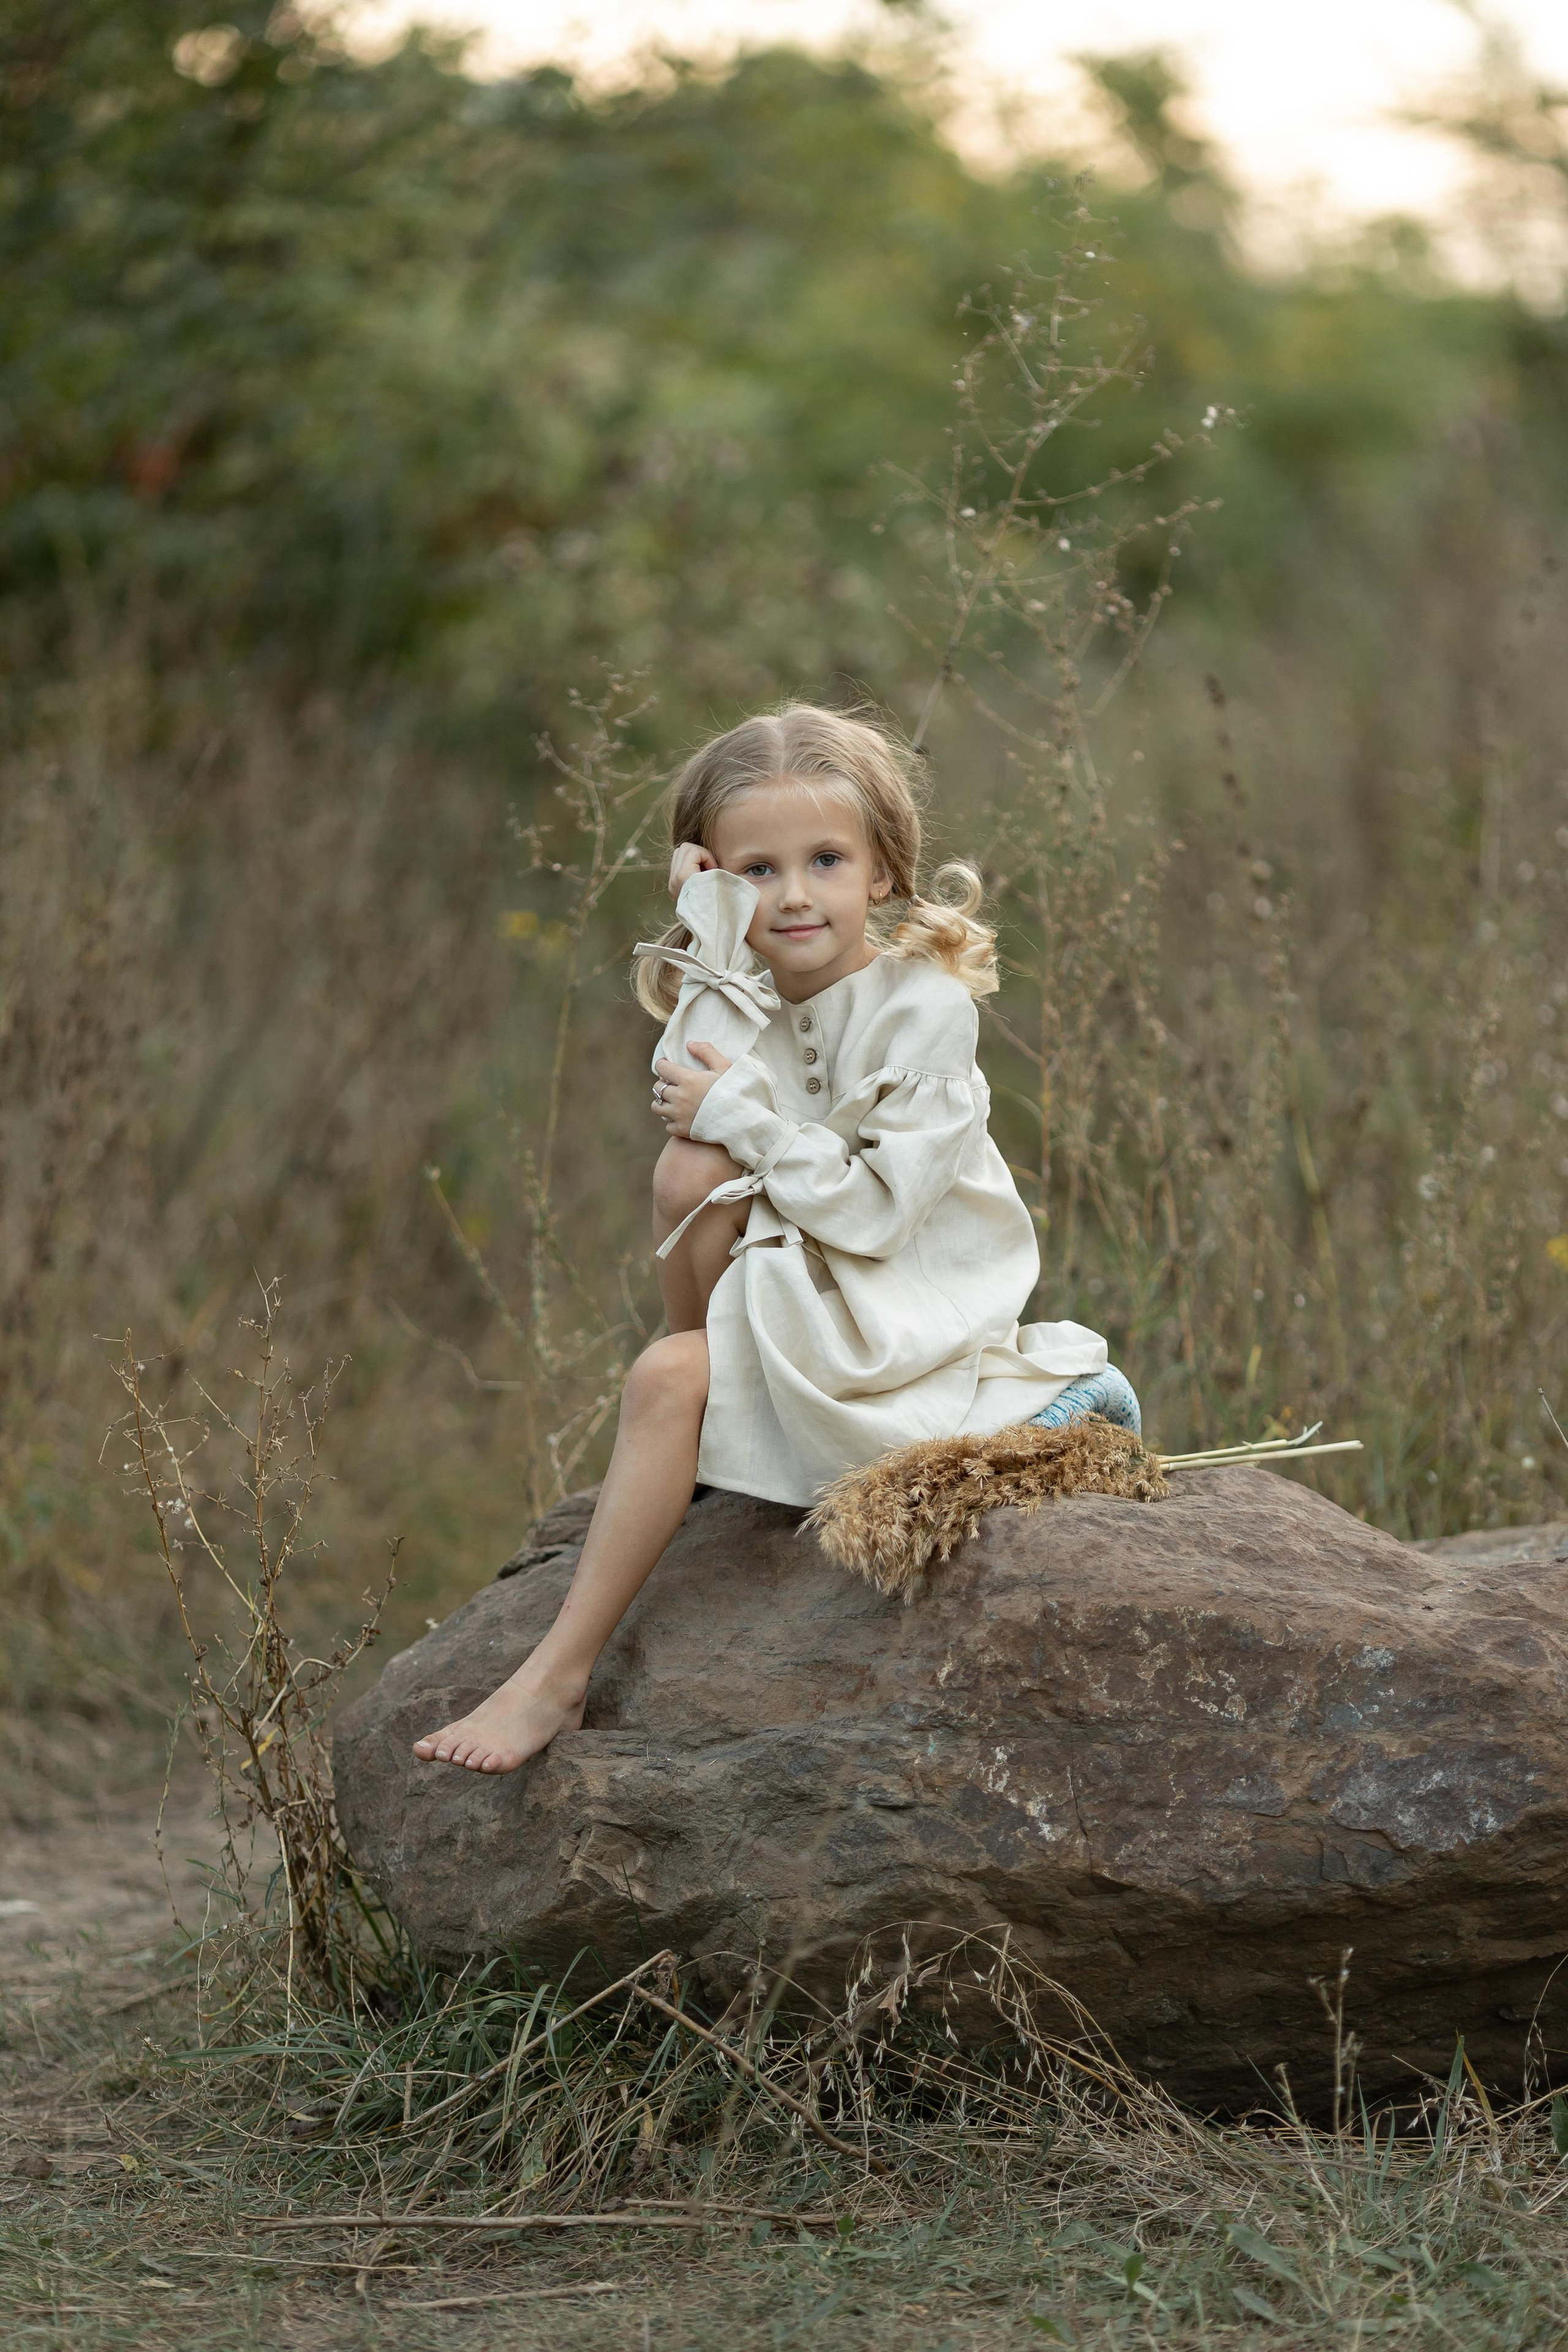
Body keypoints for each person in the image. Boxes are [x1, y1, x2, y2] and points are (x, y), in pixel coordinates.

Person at [413, 704, 1135, 1775]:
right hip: (803, 1279)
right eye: (755, 871)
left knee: (670, 1360)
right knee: (688, 1170)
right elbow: (689, 1091)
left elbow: (878, 1218)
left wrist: (745, 1118)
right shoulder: (742, 993)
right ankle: (706, 1422)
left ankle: (556, 1677)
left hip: (894, 1303)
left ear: (884, 872)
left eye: (826, 861)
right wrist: (711, 934)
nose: (793, 895)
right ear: (714, 879)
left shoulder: (925, 1009)